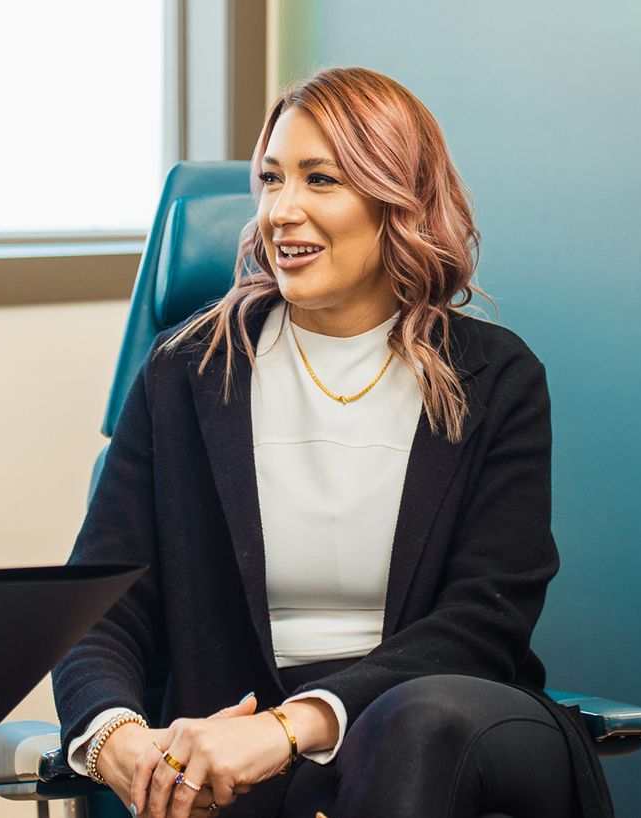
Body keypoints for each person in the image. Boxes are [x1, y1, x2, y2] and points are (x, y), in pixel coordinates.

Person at [52, 67, 612, 818]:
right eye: (272, 179)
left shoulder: (494, 376)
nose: (282, 211)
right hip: (244, 749)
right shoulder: (188, 372)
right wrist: (113, 734)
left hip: (449, 726)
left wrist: (293, 728)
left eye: (321, 180)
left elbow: (485, 620)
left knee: (408, 728)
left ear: (397, 202)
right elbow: (99, 600)